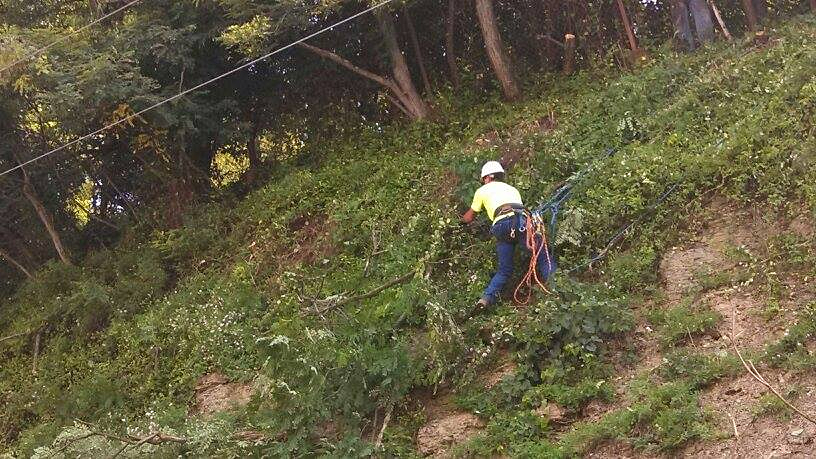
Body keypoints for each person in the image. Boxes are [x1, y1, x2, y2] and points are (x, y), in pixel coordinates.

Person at [461, 161, 557, 308]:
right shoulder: (512, 189)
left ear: (487, 177)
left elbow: (469, 217)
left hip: (501, 227)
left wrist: (460, 221)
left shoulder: (482, 190)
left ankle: (486, 299)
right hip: (520, 223)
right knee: (542, 256)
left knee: (504, 269)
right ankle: (558, 288)